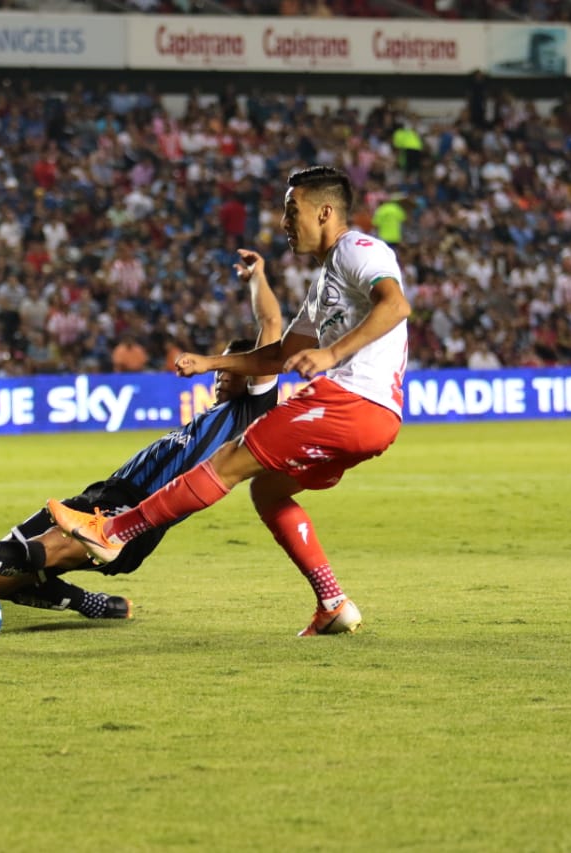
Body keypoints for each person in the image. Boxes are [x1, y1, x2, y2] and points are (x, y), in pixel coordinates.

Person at [46, 165, 410, 636]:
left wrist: (332, 353)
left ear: (324, 211)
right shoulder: (324, 285)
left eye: (290, 209)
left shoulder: (358, 249)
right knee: (268, 490)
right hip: (372, 417)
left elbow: (396, 305)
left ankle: (114, 533)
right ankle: (333, 603)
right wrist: (211, 364)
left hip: (351, 400)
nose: (283, 222)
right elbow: (280, 355)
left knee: (229, 459)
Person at [0, 249, 284, 618]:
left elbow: (270, 326)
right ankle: (91, 604)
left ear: (251, 372)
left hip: (137, 514)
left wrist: (258, 279)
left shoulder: (250, 414)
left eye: (231, 369)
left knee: (53, 548)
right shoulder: (211, 418)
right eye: (219, 368)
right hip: (100, 492)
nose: (221, 375)